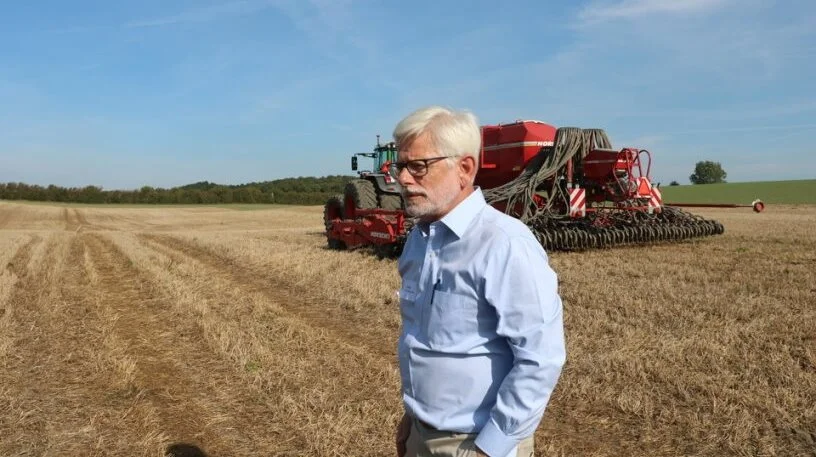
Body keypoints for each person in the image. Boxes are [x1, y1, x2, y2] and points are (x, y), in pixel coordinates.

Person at [390, 106, 567, 457]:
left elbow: (541, 358)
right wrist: (413, 420)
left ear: (465, 169)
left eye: (419, 166)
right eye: (401, 166)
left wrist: (492, 448)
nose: (404, 179)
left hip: (476, 443)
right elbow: (421, 339)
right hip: (422, 433)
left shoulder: (505, 244)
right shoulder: (419, 239)